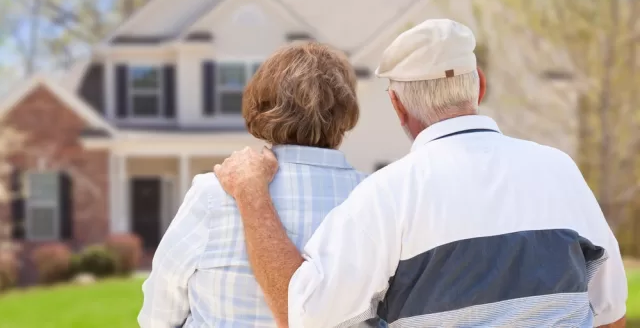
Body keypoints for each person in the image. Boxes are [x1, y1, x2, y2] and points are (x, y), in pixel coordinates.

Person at [213, 19, 628, 328]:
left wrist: (252, 194)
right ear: (479, 86)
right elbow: (611, 313)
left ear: (398, 107)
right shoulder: (559, 171)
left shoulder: (389, 195)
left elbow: (301, 315)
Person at [138, 42, 385, 327]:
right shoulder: (375, 199)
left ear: (261, 107)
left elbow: (159, 311)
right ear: (345, 115)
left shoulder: (214, 194)